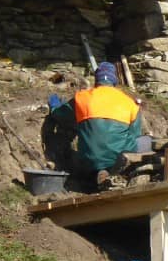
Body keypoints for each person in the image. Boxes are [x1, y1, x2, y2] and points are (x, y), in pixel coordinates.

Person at [47, 62, 150, 191]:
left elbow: (60, 116)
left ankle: (97, 173)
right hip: (119, 160)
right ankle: (115, 173)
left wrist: (55, 106)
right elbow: (135, 137)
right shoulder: (130, 104)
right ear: (114, 81)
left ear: (97, 80)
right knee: (146, 141)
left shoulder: (81, 98)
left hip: (88, 161)